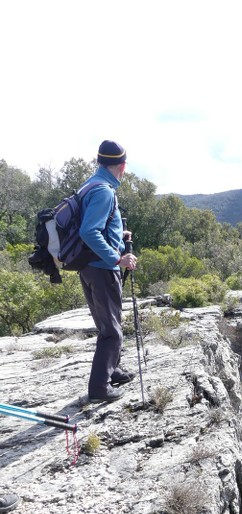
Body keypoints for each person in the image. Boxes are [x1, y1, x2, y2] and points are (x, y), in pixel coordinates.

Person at [79, 140, 138, 403]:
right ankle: (99, 388)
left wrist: (118, 232)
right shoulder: (104, 191)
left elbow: (96, 225)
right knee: (111, 330)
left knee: (108, 323)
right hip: (102, 269)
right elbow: (88, 231)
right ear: (122, 166)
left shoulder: (89, 185)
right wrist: (118, 259)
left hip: (90, 267)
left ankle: (112, 369)